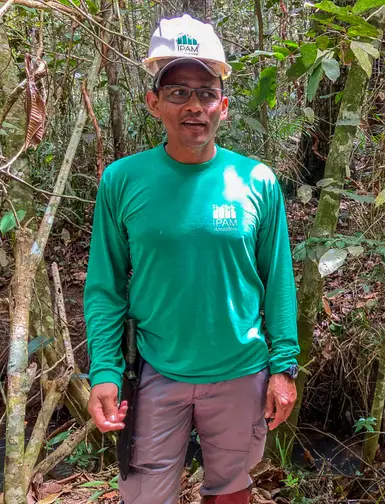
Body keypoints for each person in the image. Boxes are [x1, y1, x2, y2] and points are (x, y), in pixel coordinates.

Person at [83, 13, 300, 504]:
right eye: (178, 92)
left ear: (223, 105)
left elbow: (278, 281)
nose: (194, 106)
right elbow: (105, 286)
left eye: (205, 92)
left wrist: (284, 366)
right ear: (154, 102)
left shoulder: (256, 181)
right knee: (143, 494)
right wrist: (105, 371)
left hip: (243, 370)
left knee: (230, 489)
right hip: (158, 369)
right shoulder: (123, 180)